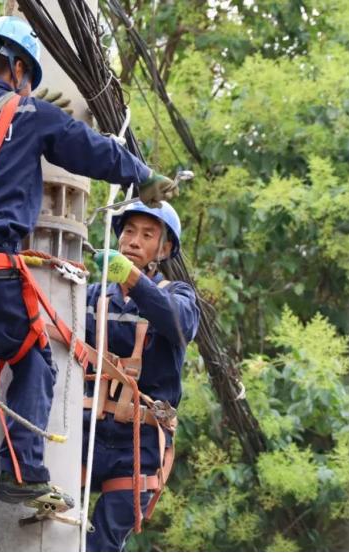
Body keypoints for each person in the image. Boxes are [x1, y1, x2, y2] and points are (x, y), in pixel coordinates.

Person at [0, 16, 178, 551]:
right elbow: (90, 150)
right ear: (17, 69)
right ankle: (24, 475)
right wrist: (141, 176)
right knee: (32, 354)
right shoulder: (29, 113)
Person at [83, 201, 200, 551]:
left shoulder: (178, 296)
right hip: (88, 430)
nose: (133, 241)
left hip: (139, 442)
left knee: (102, 543)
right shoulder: (93, 295)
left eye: (147, 235)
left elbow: (179, 325)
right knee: (53, 525)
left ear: (163, 250)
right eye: (129, 232)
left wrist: (132, 279)